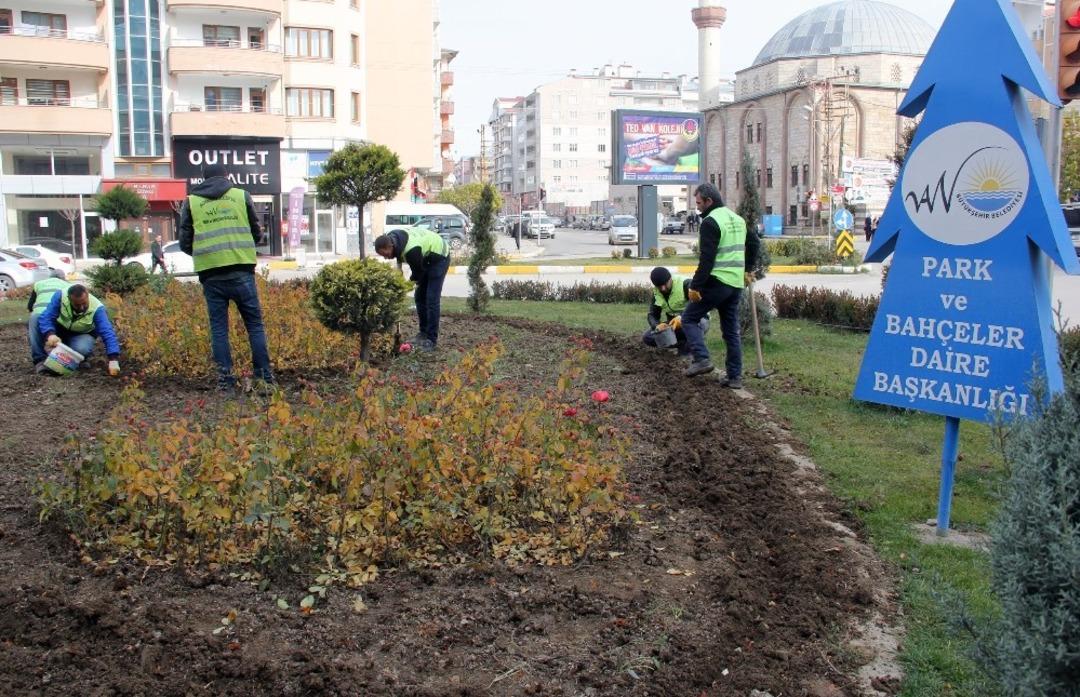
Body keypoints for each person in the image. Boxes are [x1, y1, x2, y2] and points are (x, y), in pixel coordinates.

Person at [179, 162, 273, 390]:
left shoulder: (191, 202)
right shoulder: (242, 196)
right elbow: (257, 233)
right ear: (226, 175)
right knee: (254, 326)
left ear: (203, 178)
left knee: (219, 329)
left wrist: (206, 254)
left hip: (211, 274)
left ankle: (226, 381)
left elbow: (184, 242)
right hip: (241, 269)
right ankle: (264, 379)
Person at [681, 183, 759, 385]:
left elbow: (707, 258)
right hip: (735, 284)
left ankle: (701, 358)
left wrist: (695, 286)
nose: (697, 208)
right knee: (731, 330)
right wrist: (748, 269)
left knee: (688, 318)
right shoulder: (737, 218)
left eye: (699, 203)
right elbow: (754, 243)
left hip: (717, 281)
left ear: (709, 201)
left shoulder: (710, 222)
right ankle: (735, 377)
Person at [374, 226, 450, 352]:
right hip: (425, 258)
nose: (385, 258)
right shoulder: (392, 237)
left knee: (431, 299)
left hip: (439, 257)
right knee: (419, 297)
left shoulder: (411, 250)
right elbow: (399, 260)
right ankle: (423, 333)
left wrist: (403, 289)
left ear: (390, 247)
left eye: (385, 254)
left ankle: (431, 339)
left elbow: (417, 275)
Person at [30, 283, 121, 376]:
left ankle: (76, 359)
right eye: (77, 305)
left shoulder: (98, 308)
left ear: (88, 296)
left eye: (84, 303)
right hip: (60, 329)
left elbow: (108, 333)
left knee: (82, 348)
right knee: (35, 317)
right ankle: (40, 360)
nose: (81, 308)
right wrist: (50, 334)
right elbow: (47, 317)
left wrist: (113, 359)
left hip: (81, 335)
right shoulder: (61, 296)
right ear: (70, 299)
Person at [642, 266, 707, 355]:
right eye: (659, 286)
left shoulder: (685, 283)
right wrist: (657, 325)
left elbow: (697, 303)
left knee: (694, 327)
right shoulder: (657, 292)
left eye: (665, 284)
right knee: (648, 337)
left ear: (670, 279)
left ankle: (690, 349)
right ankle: (681, 344)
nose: (663, 288)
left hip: (696, 319)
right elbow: (652, 314)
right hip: (673, 324)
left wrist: (682, 316)